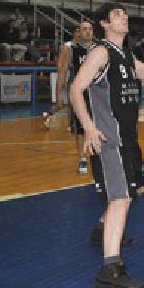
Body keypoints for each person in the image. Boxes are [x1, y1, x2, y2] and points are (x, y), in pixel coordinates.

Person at [69, 3, 144, 288]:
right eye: (117, 14)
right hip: (109, 138)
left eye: (125, 14)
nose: (124, 17)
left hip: (128, 138)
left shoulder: (126, 55)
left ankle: (102, 229)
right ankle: (110, 268)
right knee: (121, 198)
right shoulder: (100, 52)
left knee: (132, 190)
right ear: (104, 23)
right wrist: (89, 127)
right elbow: (76, 89)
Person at [56, 21, 96, 175]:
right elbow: (62, 72)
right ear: (79, 32)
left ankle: (97, 155)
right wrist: (58, 94)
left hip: (97, 94)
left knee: (99, 125)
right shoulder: (70, 49)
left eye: (90, 29)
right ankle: (82, 158)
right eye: (83, 29)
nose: (87, 32)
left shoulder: (99, 48)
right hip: (79, 94)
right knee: (80, 128)